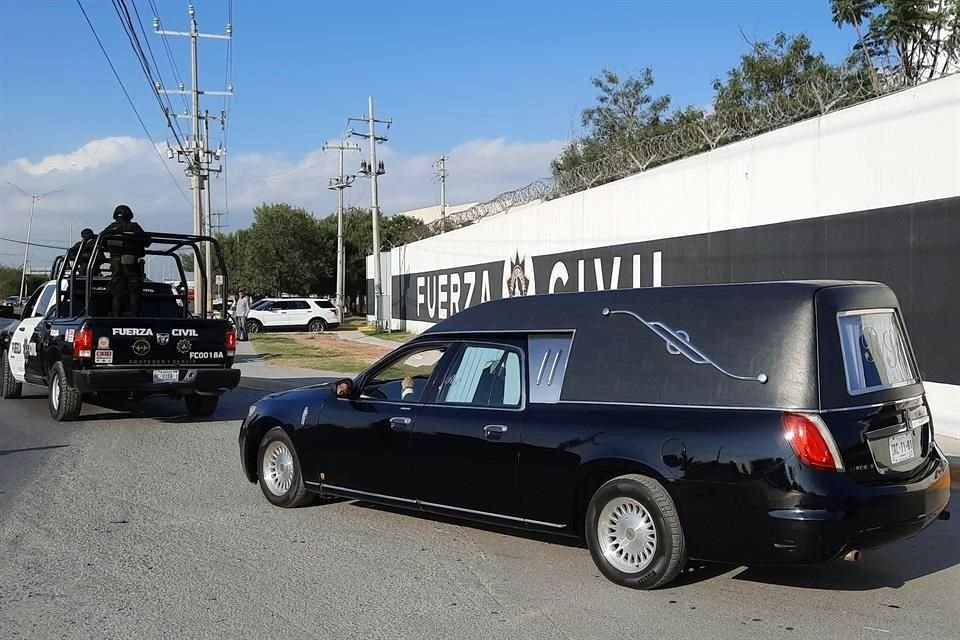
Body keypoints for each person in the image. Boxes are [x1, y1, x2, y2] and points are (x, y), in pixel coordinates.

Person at [101, 205, 149, 317]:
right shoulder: (134, 227)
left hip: (115, 265)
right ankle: (136, 316)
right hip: (131, 264)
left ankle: (116, 315)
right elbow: (147, 241)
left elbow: (101, 243)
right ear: (129, 215)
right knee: (134, 291)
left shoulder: (109, 229)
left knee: (117, 292)